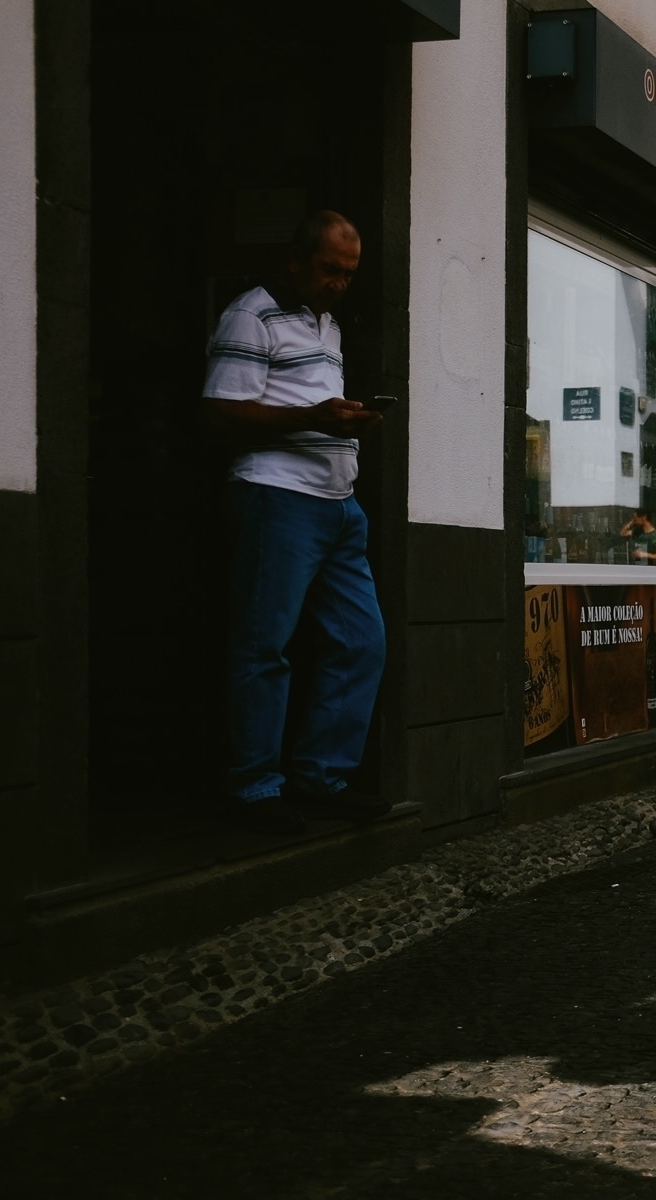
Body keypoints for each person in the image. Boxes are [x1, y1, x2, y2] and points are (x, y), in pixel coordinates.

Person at [202, 211, 389, 834]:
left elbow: (306, 404)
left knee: (361, 641)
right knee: (264, 647)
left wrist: (343, 419)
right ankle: (256, 789)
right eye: (329, 270)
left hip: (340, 505)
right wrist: (313, 419)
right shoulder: (251, 315)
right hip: (276, 496)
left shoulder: (327, 325)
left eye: (349, 274)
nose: (339, 283)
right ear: (296, 261)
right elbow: (221, 410)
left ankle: (320, 779)